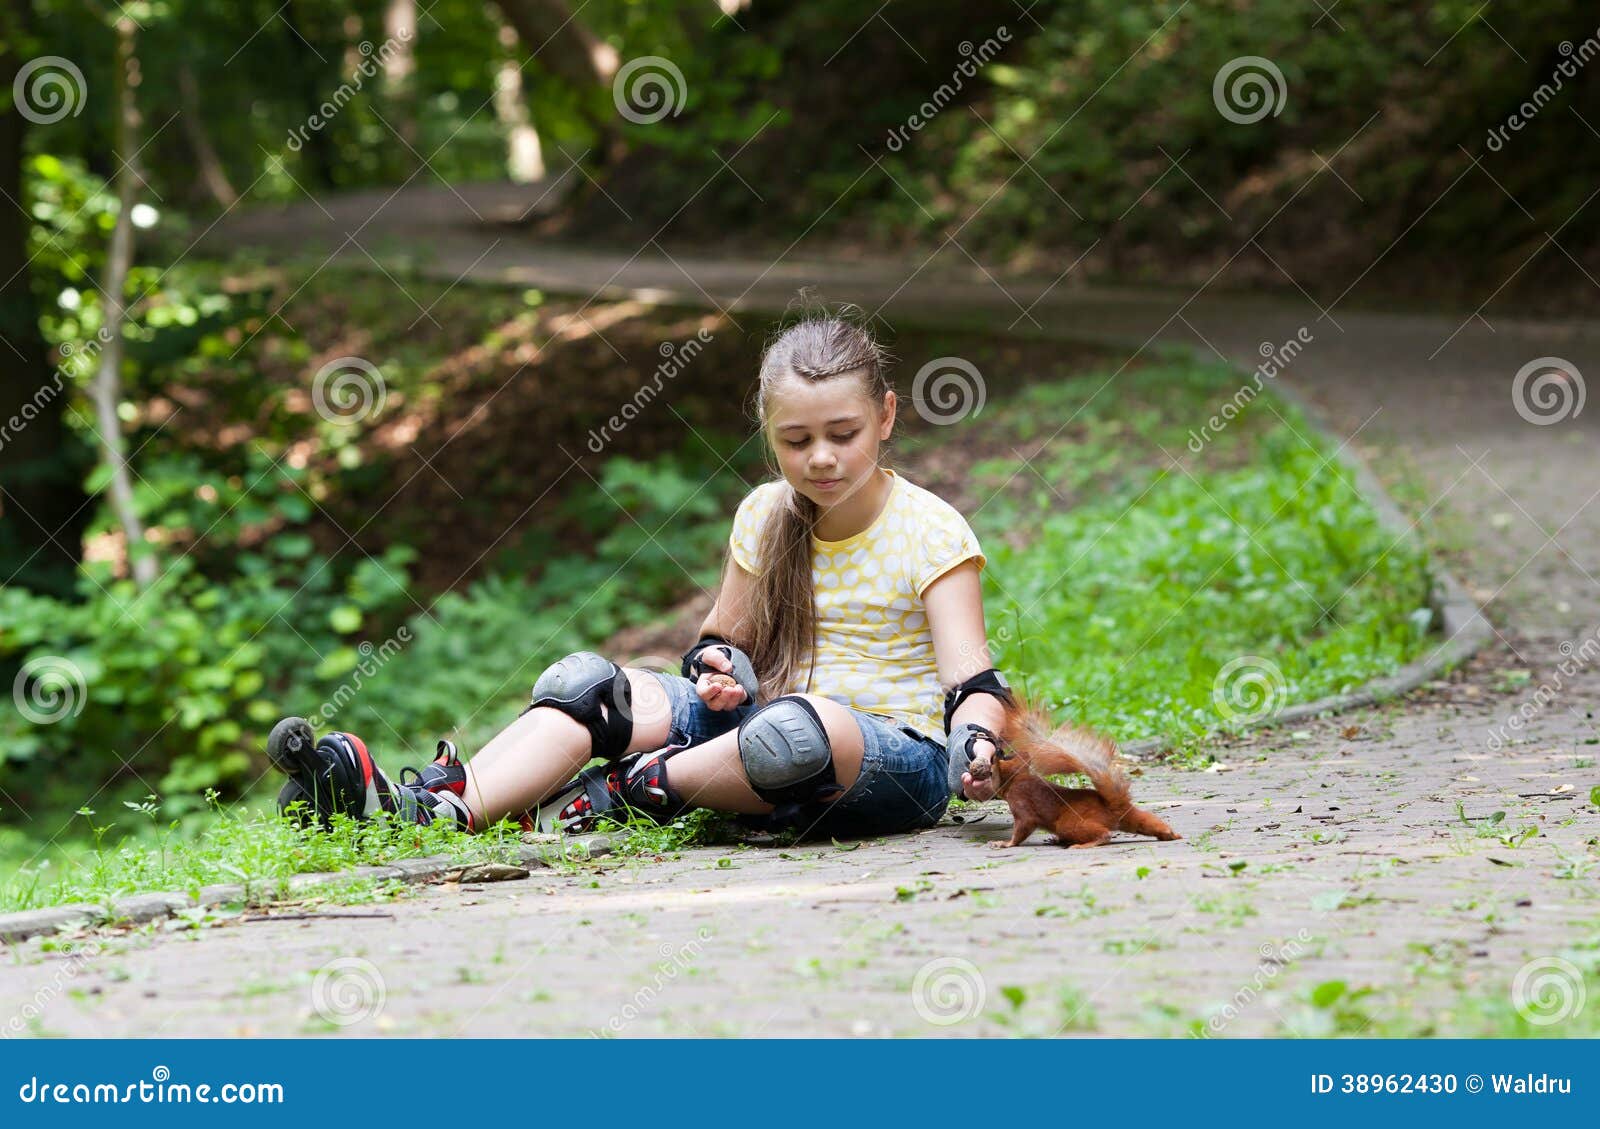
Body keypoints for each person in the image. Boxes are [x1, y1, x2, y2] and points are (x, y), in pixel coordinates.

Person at [266, 314, 1016, 841]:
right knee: (585, 683)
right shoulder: (764, 514)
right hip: (760, 725)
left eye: (842, 434)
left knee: (798, 729)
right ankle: (437, 809)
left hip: (891, 759)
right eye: (797, 440)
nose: (821, 456)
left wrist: (975, 746)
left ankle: (630, 789)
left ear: (885, 417)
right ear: (767, 432)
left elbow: (973, 683)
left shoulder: (930, 529)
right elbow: (720, 647)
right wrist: (721, 671)